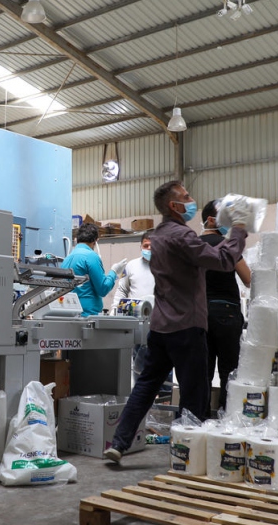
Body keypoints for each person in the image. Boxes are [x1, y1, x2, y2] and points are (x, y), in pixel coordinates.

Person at [104, 180, 251, 463]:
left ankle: (119, 443)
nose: (191, 199)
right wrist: (239, 229)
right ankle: (186, 454)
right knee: (194, 391)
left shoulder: (157, 236)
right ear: (174, 205)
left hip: (160, 324)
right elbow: (222, 260)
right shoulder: (182, 236)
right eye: (186, 196)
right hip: (186, 325)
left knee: (146, 385)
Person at [198, 200, 251, 413]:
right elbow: (248, 278)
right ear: (211, 220)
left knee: (203, 369)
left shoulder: (194, 245)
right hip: (226, 312)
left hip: (199, 313)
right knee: (229, 369)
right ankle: (226, 416)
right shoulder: (227, 246)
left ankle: (197, 417)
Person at [110, 231, 167, 387]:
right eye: (145, 245)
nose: (148, 249)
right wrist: (115, 310)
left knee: (164, 364)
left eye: (152, 246)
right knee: (139, 365)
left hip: (162, 323)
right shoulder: (131, 266)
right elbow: (122, 290)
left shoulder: (167, 266)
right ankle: (140, 396)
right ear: (140, 246)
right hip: (138, 323)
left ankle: (164, 398)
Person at [61, 223, 127, 316]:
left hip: (69, 313)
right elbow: (103, 289)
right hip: (88, 315)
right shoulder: (91, 257)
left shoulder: (67, 259)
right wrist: (114, 271)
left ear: (77, 239)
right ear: (95, 241)